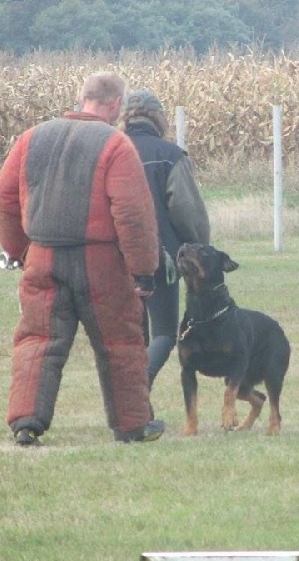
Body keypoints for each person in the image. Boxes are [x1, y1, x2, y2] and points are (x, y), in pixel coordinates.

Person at [0, 72, 164, 446]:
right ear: (115, 104)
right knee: (120, 342)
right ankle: (132, 426)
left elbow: (4, 199)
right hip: (100, 263)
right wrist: (143, 270)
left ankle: (26, 423)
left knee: (38, 340)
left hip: (43, 256)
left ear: (83, 96)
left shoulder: (31, 138)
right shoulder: (116, 145)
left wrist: (18, 250)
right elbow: (132, 212)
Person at [120, 90, 210, 390]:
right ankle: (137, 389)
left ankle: (130, 398)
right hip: (159, 259)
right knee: (164, 333)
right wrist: (200, 248)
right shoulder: (170, 155)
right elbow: (187, 212)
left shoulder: (108, 150)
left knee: (129, 336)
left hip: (113, 256)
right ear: (158, 118)